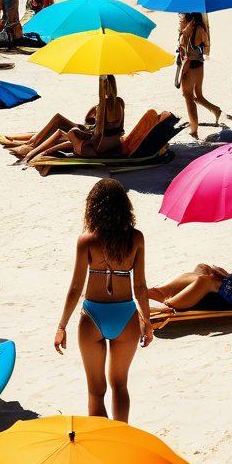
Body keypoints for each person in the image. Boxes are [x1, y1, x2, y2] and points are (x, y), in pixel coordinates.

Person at [54, 180, 152, 421]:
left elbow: (76, 287)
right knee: (120, 386)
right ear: (124, 207)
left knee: (95, 391)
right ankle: (122, 439)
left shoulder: (87, 240)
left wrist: (62, 326)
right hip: (126, 315)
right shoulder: (136, 239)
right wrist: (147, 321)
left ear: (94, 207)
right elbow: (140, 285)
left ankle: (103, 442)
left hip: (92, 316)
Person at [11, 75, 124, 165]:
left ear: (102, 87)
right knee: (64, 129)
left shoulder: (102, 107)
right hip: (113, 145)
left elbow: (97, 134)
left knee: (62, 129)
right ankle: (30, 145)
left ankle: (29, 150)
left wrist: (80, 132)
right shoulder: (120, 102)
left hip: (94, 149)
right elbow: (119, 130)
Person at [148, 252, 232, 312]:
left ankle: (167, 305)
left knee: (204, 273)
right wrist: (226, 276)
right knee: (204, 273)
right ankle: (166, 303)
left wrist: (225, 276)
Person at [178, 12, 222, 138]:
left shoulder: (187, 31)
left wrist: (183, 33)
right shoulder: (201, 29)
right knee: (198, 95)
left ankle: (194, 128)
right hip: (199, 64)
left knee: (188, 97)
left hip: (189, 65)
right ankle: (216, 110)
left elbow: (184, 52)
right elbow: (205, 45)